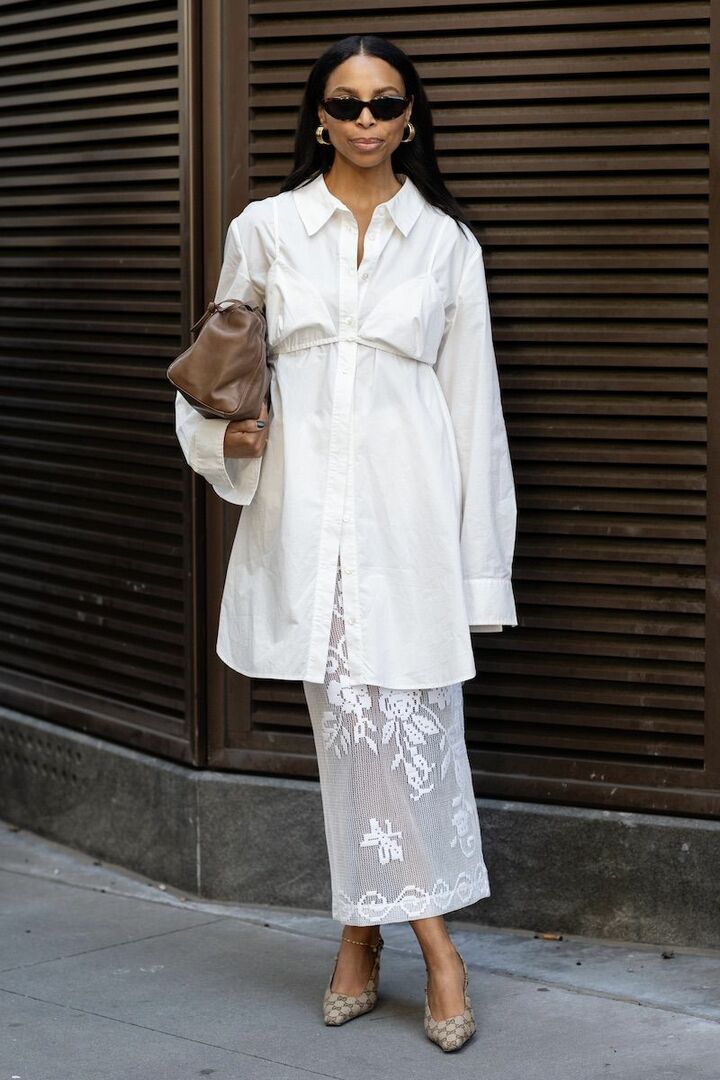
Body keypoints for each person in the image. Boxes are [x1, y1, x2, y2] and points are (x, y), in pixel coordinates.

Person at [175, 33, 518, 1053]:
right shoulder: (267, 228)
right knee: (353, 723)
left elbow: (476, 413)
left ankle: (360, 939)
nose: (366, 120)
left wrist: (478, 570)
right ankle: (440, 952)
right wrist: (222, 438)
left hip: (411, 521)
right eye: (345, 103)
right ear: (318, 118)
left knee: (406, 724)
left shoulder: (448, 245)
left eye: (385, 102)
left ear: (411, 118)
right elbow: (216, 368)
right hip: (307, 518)